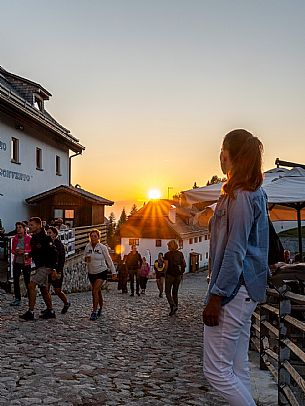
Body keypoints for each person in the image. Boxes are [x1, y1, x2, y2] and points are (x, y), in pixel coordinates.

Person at [202, 129, 269, 406]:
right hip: (246, 290)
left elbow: (235, 250)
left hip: (232, 291)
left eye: (222, 149)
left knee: (216, 370)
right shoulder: (254, 193)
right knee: (238, 365)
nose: (219, 155)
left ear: (230, 155)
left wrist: (216, 296)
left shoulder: (241, 196)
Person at [19, 217, 58, 321]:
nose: (29, 227)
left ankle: (31, 312)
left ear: (38, 225)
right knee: (44, 289)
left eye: (32, 225)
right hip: (40, 266)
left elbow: (54, 253)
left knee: (31, 285)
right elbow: (37, 251)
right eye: (29, 225)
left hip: (46, 266)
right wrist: (28, 254)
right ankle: (50, 311)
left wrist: (54, 269)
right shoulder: (34, 238)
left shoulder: (46, 238)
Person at [84, 229, 116, 321]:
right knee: (98, 292)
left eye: (95, 236)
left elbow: (109, 260)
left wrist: (114, 272)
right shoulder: (87, 247)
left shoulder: (102, 247)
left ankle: (94, 312)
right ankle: (101, 307)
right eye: (92, 236)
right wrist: (86, 259)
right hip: (91, 272)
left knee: (94, 291)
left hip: (101, 271)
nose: (93, 238)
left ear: (98, 237)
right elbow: (85, 258)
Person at [43, 226, 70, 314]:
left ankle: (66, 303)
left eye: (50, 233)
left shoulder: (59, 245)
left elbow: (62, 260)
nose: (48, 234)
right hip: (48, 270)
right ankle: (49, 308)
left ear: (55, 234)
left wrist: (59, 272)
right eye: (47, 233)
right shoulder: (46, 244)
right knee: (46, 290)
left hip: (57, 270)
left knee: (57, 290)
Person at [10, 222, 32, 306]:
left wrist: (24, 252)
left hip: (26, 262)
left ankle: (30, 297)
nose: (18, 229)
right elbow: (12, 250)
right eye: (17, 227)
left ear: (24, 228)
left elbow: (32, 250)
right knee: (16, 280)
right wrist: (15, 251)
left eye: (20, 227)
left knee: (27, 281)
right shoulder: (15, 238)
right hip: (17, 261)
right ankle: (17, 298)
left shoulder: (29, 238)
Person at [164, 240, 186, 316]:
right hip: (178, 275)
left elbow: (166, 266)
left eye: (168, 246)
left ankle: (172, 305)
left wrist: (164, 273)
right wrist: (181, 272)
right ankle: (175, 307)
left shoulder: (167, 255)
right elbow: (184, 264)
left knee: (167, 292)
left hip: (170, 275)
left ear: (170, 246)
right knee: (175, 292)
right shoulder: (180, 254)